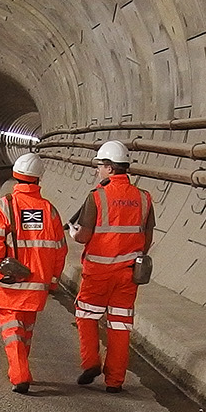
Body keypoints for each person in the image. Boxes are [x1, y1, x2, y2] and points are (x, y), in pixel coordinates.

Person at [68, 140, 154, 393]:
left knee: (86, 315)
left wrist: (74, 234)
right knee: (119, 325)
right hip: (129, 274)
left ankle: (91, 363)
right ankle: (115, 380)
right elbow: (147, 236)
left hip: (98, 271)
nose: (97, 171)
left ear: (109, 167)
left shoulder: (97, 196)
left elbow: (84, 236)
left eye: (99, 166)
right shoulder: (144, 197)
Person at [0, 152, 69, 394]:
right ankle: (18, 368)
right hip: (37, 284)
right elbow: (60, 249)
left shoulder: (5, 206)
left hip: (11, 281)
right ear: (38, 180)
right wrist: (51, 281)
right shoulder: (49, 210)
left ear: (16, 177)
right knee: (26, 331)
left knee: (11, 330)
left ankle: (20, 374)